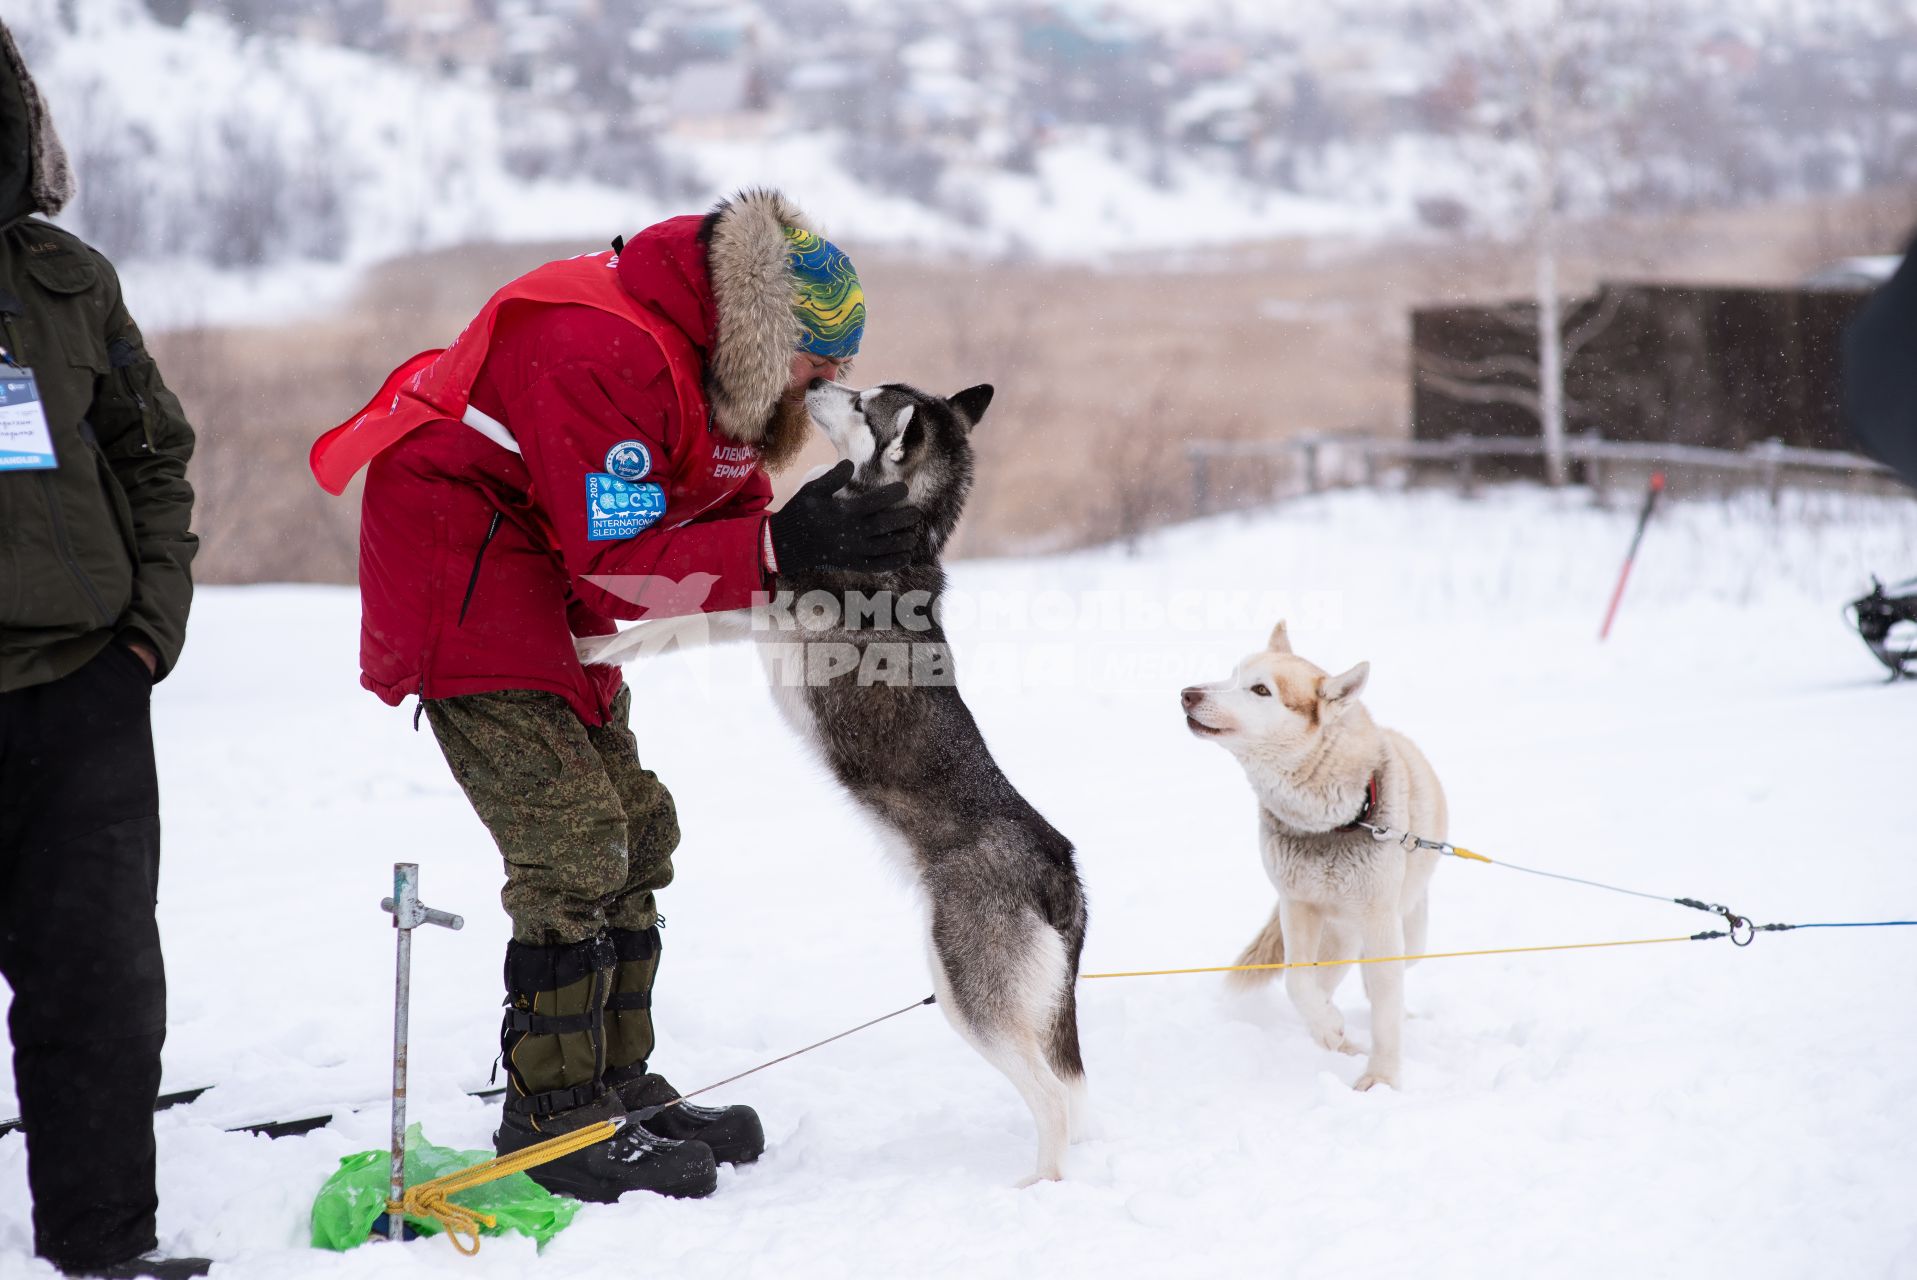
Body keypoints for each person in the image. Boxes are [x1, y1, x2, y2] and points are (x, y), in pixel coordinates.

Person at [310, 188, 918, 1202]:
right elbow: (619, 566)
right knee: (572, 839)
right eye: (825, 362)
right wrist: (777, 550)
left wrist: (808, 546)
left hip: (556, 567)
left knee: (636, 826)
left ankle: (616, 1086)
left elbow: (715, 520)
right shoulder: (600, 345)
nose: (832, 385)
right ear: (771, 339)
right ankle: (551, 1120)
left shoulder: (720, 370)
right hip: (465, 567)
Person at [0, 23, 205, 1280]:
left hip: (82, 686)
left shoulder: (68, 281)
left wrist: (147, 628)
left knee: (99, 987)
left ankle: (103, 1242)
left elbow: (153, 451)